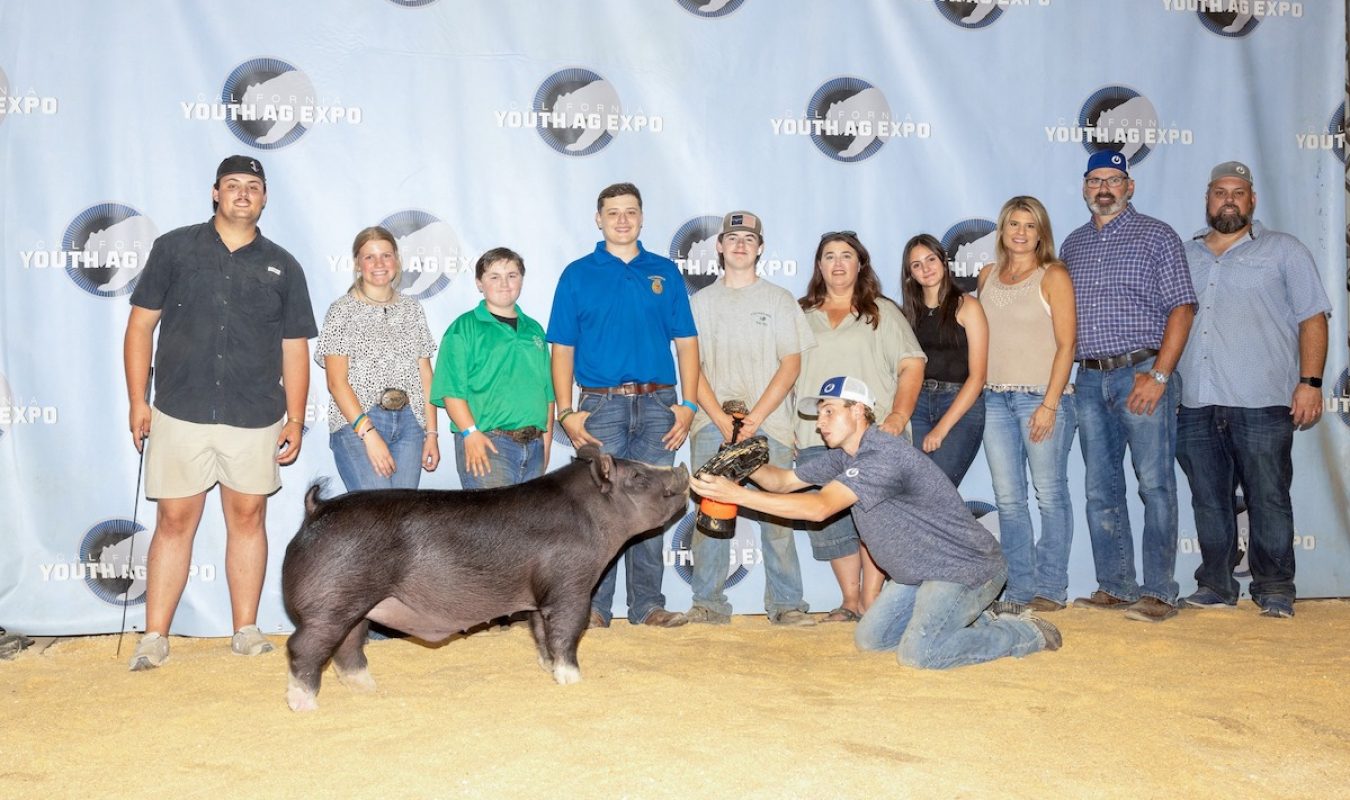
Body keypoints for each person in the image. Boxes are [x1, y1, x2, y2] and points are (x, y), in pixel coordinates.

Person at [691, 376, 1061, 668]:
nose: (820, 423)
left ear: (859, 412)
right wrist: (746, 464)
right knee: (871, 640)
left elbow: (819, 508)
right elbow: (783, 482)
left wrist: (736, 495)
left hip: (963, 569)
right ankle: (978, 619)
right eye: (819, 414)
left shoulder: (882, 456)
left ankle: (1022, 634)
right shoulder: (844, 458)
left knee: (921, 655)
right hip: (917, 575)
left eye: (829, 412)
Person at [123, 155, 317, 670]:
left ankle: (246, 629)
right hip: (180, 410)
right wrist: (138, 400)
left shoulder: (284, 265)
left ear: (265, 197)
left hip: (255, 415)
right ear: (215, 193)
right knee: (174, 519)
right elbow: (140, 327)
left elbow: (294, 347)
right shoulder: (174, 248)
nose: (242, 193)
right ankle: (155, 635)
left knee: (249, 517)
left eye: (253, 186)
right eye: (233, 185)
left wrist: (295, 418)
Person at [1174, 161, 1332, 619]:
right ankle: (1217, 584)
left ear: (1252, 200)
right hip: (1197, 402)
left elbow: (1313, 318)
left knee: (1268, 497)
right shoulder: (1186, 253)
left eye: (1238, 193)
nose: (1229, 200)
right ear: (1207, 199)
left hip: (1263, 400)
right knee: (1208, 498)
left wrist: (1310, 382)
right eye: (1220, 192)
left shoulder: (1284, 251)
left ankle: (1276, 587)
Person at [547, 182, 699, 629]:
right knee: (595, 509)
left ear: (641, 217)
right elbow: (562, 350)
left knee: (654, 504)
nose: (621, 220)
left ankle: (647, 604)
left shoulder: (665, 272)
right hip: (601, 407)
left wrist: (688, 405)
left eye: (630, 211)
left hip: (659, 406)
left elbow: (688, 344)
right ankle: (593, 606)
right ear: (599, 218)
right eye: (612, 212)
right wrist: (566, 411)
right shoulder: (577, 274)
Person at [1060, 149, 1197, 623]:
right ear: (1084, 188)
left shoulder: (1157, 235)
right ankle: (1116, 585)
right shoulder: (1072, 245)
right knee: (1100, 488)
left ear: (1129, 187)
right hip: (1089, 377)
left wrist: (1159, 374)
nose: (1104, 188)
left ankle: (1159, 591)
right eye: (1095, 180)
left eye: (1113, 180)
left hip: (1141, 373)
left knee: (1156, 484)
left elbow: (1183, 307)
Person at [684, 211, 815, 626]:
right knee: (712, 514)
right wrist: (721, 418)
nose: (740, 244)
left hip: (770, 424)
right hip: (711, 422)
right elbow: (692, 367)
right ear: (719, 247)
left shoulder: (778, 300)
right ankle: (708, 603)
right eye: (732, 237)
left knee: (778, 518)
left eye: (748, 238)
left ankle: (787, 603)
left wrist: (755, 418)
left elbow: (790, 364)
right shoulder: (698, 303)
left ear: (760, 248)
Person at [796, 232, 926, 622]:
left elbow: (911, 364)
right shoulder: (800, 315)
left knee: (876, 519)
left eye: (846, 256)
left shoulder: (883, 313)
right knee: (830, 523)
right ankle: (849, 601)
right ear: (819, 266)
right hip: (815, 432)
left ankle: (872, 601)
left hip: (873, 438)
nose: (837, 263)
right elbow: (787, 373)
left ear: (860, 264)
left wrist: (898, 417)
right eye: (829, 256)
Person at [977, 196, 1078, 613]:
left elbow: (1067, 344)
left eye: (1029, 225)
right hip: (994, 400)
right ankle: (1018, 591)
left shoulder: (1053, 276)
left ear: (1041, 233)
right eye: (1013, 224)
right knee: (1008, 499)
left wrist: (1050, 404)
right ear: (1002, 230)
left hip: (1041, 397)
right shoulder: (985, 276)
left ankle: (1051, 588)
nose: (1020, 232)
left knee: (1050, 495)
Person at [315, 226, 439, 492]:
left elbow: (425, 375)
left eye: (386, 255)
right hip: (358, 423)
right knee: (376, 521)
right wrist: (368, 434)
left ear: (396, 260)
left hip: (411, 425)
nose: (379, 264)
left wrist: (431, 433)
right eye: (369, 257)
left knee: (401, 522)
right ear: (358, 264)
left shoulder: (412, 309)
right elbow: (336, 382)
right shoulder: (341, 311)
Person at [432, 247, 553, 489]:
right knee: (493, 527)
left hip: (534, 446)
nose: (504, 283)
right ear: (479, 283)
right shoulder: (463, 328)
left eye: (512, 275)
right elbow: (451, 391)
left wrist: (546, 444)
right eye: (494, 276)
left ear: (521, 279)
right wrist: (470, 433)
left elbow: (547, 394)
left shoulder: (535, 330)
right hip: (488, 444)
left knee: (530, 527)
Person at [900, 234, 988, 488]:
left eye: (930, 259)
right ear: (910, 274)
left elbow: (978, 376)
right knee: (914, 491)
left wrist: (942, 429)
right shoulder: (907, 314)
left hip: (960, 405)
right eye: (916, 265)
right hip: (917, 405)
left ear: (944, 261)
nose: (925, 268)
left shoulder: (967, 306)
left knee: (937, 491)